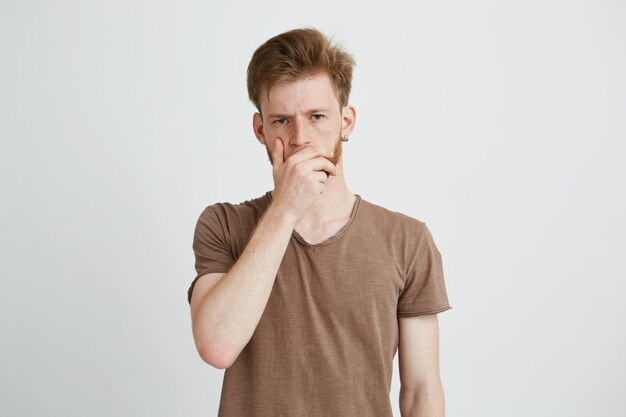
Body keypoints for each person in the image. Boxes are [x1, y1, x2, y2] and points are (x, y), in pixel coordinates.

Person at [187, 27, 452, 417]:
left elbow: (421, 392)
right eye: (281, 121)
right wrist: (285, 211)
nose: (300, 138)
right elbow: (217, 346)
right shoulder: (223, 225)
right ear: (260, 130)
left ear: (346, 121)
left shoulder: (407, 240)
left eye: (316, 116)